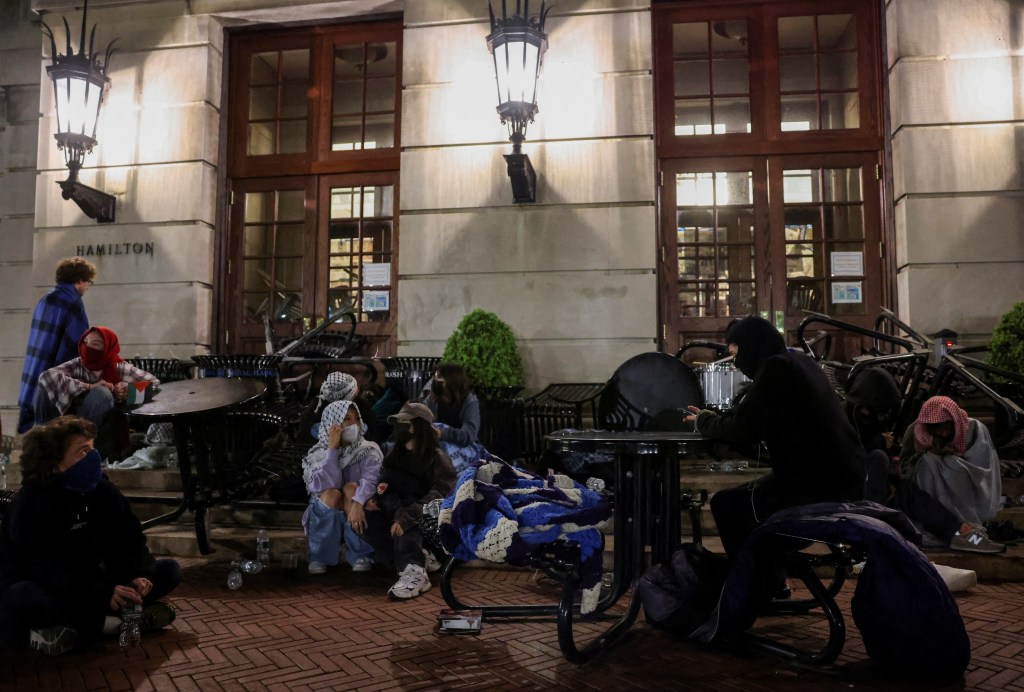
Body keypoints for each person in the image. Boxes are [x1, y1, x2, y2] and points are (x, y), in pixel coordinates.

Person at [685, 316, 868, 559]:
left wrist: (704, 422)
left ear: (750, 346)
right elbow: (752, 418)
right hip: (839, 479)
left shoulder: (776, 369)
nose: (736, 363)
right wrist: (715, 420)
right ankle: (765, 573)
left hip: (816, 488)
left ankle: (751, 584)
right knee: (745, 498)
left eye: (735, 351)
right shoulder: (799, 362)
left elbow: (742, 429)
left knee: (727, 505)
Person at [0, 416, 180, 655]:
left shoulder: (101, 490)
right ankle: (111, 624)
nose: (94, 458)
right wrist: (102, 593)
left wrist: (138, 573)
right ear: (53, 464)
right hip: (59, 586)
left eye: (92, 449)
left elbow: (129, 537)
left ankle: (84, 626)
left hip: (94, 583)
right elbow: (41, 569)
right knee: (22, 597)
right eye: (83, 452)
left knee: (168, 571)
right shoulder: (31, 504)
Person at [365, 402, 456, 600]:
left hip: (429, 523)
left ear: (419, 426)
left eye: (405, 422)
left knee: (409, 505)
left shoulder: (437, 458)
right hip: (398, 517)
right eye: (398, 423)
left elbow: (441, 494)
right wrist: (377, 500)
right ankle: (418, 558)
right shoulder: (395, 454)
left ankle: (415, 570)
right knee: (366, 516)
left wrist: (406, 517)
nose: (399, 427)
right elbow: (386, 485)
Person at [898, 396, 1005, 553]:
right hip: (945, 525)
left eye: (945, 427)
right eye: (937, 428)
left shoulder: (973, 429)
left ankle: (973, 539)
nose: (942, 432)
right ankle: (972, 539)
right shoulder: (909, 490)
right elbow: (906, 467)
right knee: (928, 463)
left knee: (958, 528)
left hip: (953, 523)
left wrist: (948, 460)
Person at [34, 326, 159, 459]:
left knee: (102, 393)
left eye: (95, 344)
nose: (87, 347)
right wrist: (88, 386)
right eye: (86, 342)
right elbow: (46, 376)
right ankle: (45, 442)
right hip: (65, 429)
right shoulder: (77, 364)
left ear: (107, 348)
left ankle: (74, 445)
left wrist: (128, 392)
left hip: (98, 436)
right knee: (44, 389)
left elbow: (154, 385)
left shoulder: (119, 368)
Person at [301, 400, 383, 574]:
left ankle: (360, 552)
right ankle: (320, 555)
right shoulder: (318, 453)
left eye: (356, 419)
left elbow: (371, 480)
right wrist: (332, 450)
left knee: (352, 488)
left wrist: (358, 502)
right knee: (331, 494)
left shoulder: (368, 449)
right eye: (346, 419)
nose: (353, 424)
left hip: (357, 507)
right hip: (330, 507)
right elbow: (326, 484)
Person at [17, 257, 97, 433]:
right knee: (57, 433)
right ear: (79, 280)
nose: (87, 287)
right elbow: (76, 346)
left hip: (37, 375)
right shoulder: (73, 303)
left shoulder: (46, 299)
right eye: (88, 282)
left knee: (41, 431)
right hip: (56, 380)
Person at [421, 363, 484, 472]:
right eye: (435, 378)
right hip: (437, 447)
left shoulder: (469, 402)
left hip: (463, 449)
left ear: (452, 381)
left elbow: (468, 435)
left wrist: (442, 433)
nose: (435, 382)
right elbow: (422, 418)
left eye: (439, 379)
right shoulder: (433, 398)